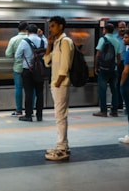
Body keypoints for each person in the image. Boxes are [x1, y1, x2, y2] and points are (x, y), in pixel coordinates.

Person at [43, 16, 74, 161]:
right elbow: (47, 62)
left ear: (61, 26)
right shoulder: (56, 42)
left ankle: (62, 147)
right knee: (58, 115)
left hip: (61, 84)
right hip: (55, 83)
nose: (50, 29)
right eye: (50, 26)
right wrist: (49, 45)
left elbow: (65, 65)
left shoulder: (66, 42)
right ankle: (62, 144)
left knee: (61, 116)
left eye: (53, 26)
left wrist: (59, 82)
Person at [15, 24, 47, 122]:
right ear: (37, 31)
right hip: (40, 70)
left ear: (27, 32)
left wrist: (27, 57)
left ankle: (28, 115)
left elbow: (17, 56)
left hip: (28, 70)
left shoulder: (24, 41)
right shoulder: (43, 41)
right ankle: (39, 115)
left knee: (28, 93)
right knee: (40, 93)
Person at [93, 23, 122, 117]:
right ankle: (114, 111)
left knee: (102, 90)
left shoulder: (103, 39)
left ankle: (103, 111)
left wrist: (96, 67)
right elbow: (118, 57)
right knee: (115, 90)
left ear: (105, 30)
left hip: (103, 69)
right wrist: (115, 66)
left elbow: (98, 54)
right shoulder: (117, 41)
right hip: (114, 69)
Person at [5, 21, 28, 116]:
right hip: (30, 68)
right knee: (31, 89)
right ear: (27, 29)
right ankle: (30, 109)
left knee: (18, 88)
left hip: (18, 68)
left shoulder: (13, 39)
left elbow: (8, 54)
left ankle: (19, 110)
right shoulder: (30, 39)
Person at [115, 21, 127, 110]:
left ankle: (126, 103)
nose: (122, 29)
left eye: (124, 27)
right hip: (118, 63)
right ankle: (119, 103)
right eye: (120, 27)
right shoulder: (115, 38)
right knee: (118, 83)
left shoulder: (128, 38)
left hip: (127, 64)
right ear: (117, 28)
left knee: (127, 84)